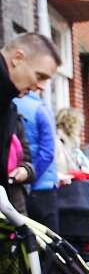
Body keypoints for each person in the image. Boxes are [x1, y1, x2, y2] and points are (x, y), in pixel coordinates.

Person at [0, 34, 59, 213]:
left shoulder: (9, 104)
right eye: (39, 75)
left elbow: (25, 156)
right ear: (17, 58)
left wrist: (26, 170)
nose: (41, 86)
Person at [15, 79, 59, 230]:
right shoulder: (40, 109)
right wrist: (31, 176)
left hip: (14, 185)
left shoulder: (10, 105)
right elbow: (48, 152)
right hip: (42, 186)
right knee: (47, 241)